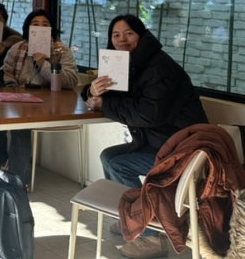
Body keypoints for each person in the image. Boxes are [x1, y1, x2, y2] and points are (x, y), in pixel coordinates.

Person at [82, 14, 208, 259]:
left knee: (118, 163)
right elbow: (113, 99)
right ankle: (131, 217)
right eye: (115, 35)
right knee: (108, 157)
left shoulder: (159, 67)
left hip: (182, 150)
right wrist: (92, 90)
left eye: (129, 33)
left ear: (141, 36)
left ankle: (152, 235)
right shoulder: (131, 64)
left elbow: (148, 115)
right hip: (161, 143)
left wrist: (105, 105)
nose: (121, 40)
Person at [0, 9, 78, 187]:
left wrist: (43, 63)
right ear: (28, 28)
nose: (40, 28)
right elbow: (6, 72)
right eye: (35, 24)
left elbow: (70, 80)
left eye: (45, 25)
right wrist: (12, 87)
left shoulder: (60, 50)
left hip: (51, 104)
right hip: (20, 101)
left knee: (20, 127)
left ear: (52, 29)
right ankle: (2, 164)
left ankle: (18, 184)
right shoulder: (17, 48)